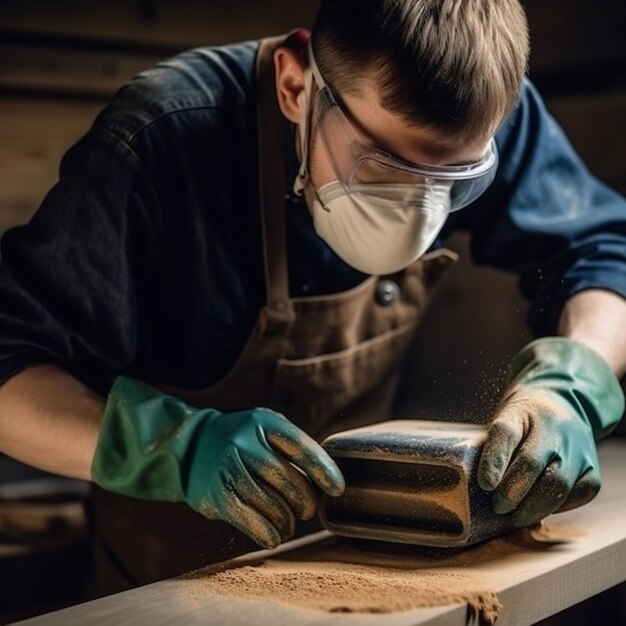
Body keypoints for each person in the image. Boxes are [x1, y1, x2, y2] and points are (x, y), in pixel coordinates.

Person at [0, 0, 625, 590]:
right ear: (297, 89)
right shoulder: (159, 139)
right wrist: (176, 450)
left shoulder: (481, 111)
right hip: (167, 580)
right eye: (383, 167)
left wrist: (568, 386)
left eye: (454, 181)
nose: (419, 211)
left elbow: (606, 250)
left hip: (369, 567)